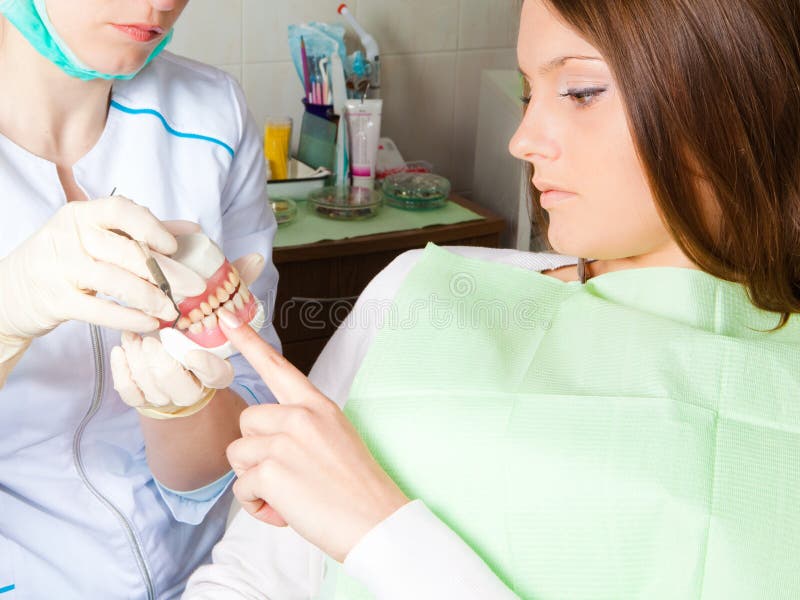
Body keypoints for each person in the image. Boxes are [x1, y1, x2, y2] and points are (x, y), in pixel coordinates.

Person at [185, 0, 800, 598]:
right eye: (529, 92)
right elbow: (249, 578)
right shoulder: (424, 290)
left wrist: (382, 537)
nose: (523, 139)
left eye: (581, 91)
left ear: (737, 88)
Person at [0, 0, 280, 597]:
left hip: (213, 574)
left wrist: (181, 409)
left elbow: (251, 423)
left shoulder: (212, 113)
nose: (160, 4)